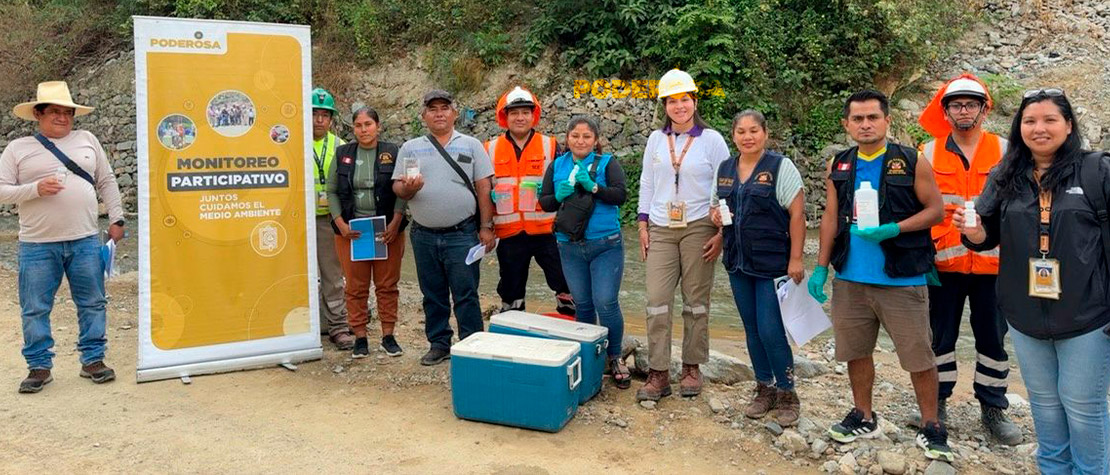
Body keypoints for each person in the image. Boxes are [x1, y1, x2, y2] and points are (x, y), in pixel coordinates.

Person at [956, 89, 1110, 474]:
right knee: (1044, 403)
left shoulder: (1097, 171)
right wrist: (971, 232)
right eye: (1029, 121)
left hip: (1088, 314)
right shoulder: (1006, 173)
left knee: (1083, 404)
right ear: (1018, 127)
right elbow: (985, 233)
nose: (1039, 128)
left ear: (1069, 125)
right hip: (1024, 314)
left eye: (1049, 120)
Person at [808, 90, 952, 461]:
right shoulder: (839, 165)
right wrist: (821, 268)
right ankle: (863, 414)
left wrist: (894, 229)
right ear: (847, 124)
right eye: (858, 119)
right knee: (856, 351)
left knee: (918, 355)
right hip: (851, 277)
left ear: (887, 120)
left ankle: (932, 424)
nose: (866, 124)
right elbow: (829, 216)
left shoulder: (911, 160)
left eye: (873, 117)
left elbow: (936, 211)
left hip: (902, 277)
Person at [0, 81, 125, 393]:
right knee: (35, 307)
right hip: (36, 243)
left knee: (93, 302)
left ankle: (93, 360)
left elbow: (106, 180)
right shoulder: (18, 148)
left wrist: (117, 217)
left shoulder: (87, 140)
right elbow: (2, 190)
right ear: (38, 114)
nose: (62, 117)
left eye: (67, 112)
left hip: (84, 238)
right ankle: (39, 367)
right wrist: (34, 189)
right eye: (54, 111)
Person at [917, 74, 1021, 444]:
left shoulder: (1008, 150)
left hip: (995, 262)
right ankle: (937, 403)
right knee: (939, 337)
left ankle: (993, 409)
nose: (964, 111)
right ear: (945, 112)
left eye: (971, 105)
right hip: (943, 263)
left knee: (993, 338)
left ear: (984, 109)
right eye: (956, 105)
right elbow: (919, 207)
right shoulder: (927, 153)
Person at [636, 69, 730, 402]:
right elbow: (647, 182)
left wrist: (722, 232)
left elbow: (726, 186)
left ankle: (692, 366)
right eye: (673, 101)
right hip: (661, 227)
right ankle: (658, 372)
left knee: (696, 303)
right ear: (665, 105)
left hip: (699, 227)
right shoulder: (654, 140)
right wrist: (643, 224)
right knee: (656, 301)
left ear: (694, 101)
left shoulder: (713, 140)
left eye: (685, 100)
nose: (680, 107)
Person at [709, 110, 805, 426]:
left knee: (770, 329)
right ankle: (764, 388)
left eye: (754, 130)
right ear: (733, 135)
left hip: (773, 263)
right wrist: (717, 224)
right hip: (738, 263)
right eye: (741, 132)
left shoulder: (781, 167)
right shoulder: (725, 169)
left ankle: (787, 392)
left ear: (765, 133)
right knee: (751, 329)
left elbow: (797, 215)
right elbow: (720, 210)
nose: (747, 137)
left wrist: (796, 259)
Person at [393, 89, 496, 366]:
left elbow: (484, 187)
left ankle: (473, 345)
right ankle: (439, 344)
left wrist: (486, 227)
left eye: (444, 108)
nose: (439, 113)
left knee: (465, 293)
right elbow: (398, 188)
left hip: (462, 233)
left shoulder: (472, 145)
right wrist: (408, 188)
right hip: (423, 234)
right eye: (433, 109)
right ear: (423, 115)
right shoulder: (410, 147)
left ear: (455, 112)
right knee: (433, 294)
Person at [538, 116, 630, 389]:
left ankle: (614, 356)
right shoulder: (557, 165)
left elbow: (620, 195)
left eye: (587, 137)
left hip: (605, 243)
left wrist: (594, 187)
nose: (580, 141)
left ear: (595, 140)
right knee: (584, 303)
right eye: (575, 136)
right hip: (569, 246)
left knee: (606, 301)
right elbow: (544, 202)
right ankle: (588, 355)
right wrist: (559, 195)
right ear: (567, 138)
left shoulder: (607, 163)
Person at [484, 86, 575, 315]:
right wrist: (484, 223)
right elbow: (480, 190)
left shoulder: (551, 146)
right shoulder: (489, 149)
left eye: (525, 112)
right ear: (505, 116)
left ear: (533, 115)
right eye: (514, 113)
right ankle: (513, 326)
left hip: (548, 230)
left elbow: (568, 181)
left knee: (564, 281)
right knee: (511, 287)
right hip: (509, 233)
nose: (520, 117)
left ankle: (571, 323)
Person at [329, 107, 408, 359]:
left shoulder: (392, 152)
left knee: (387, 285)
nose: (363, 129)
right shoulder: (342, 154)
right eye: (358, 125)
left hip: (387, 230)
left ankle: (388, 335)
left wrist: (396, 221)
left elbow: (402, 189)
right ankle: (360, 337)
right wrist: (340, 223)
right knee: (355, 286)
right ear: (353, 129)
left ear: (378, 126)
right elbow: (331, 191)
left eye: (368, 124)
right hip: (352, 231)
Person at [310, 87, 355, 350]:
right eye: (314, 114)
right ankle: (306, 326)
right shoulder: (291, 142)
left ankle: (337, 326)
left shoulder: (340, 146)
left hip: (329, 219)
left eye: (324, 115)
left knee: (332, 275)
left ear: (331, 119)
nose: (319, 120)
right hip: (299, 221)